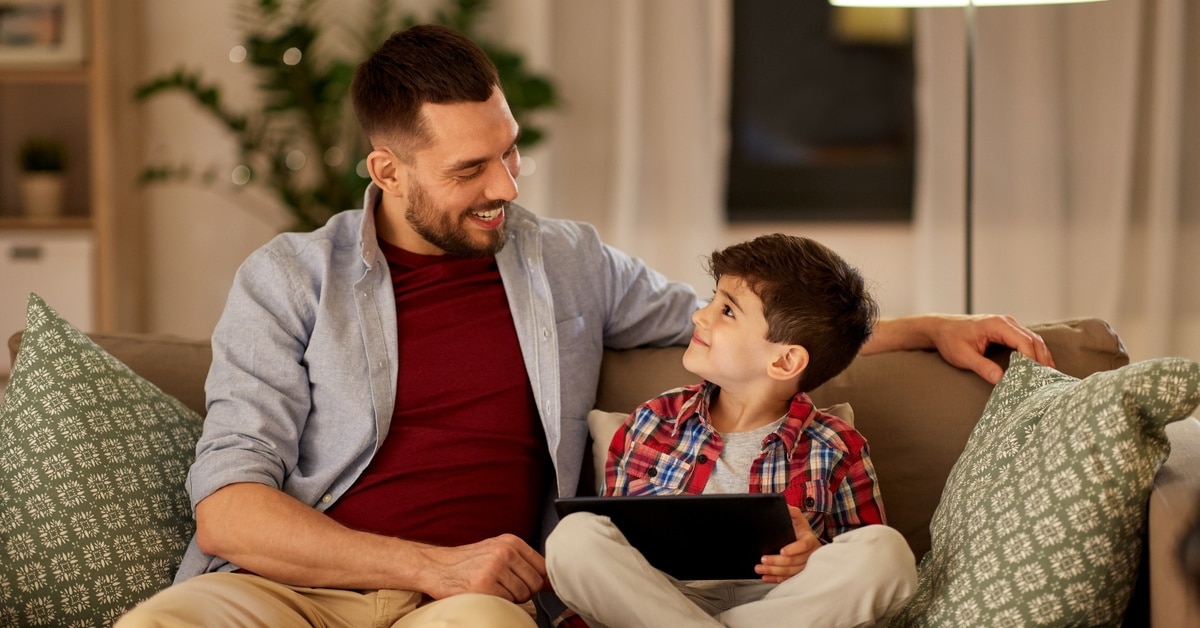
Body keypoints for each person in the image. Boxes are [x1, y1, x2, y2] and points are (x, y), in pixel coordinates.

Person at [118, 23, 1052, 628]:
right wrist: (432, 563)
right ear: (387, 171)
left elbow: (740, 331)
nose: (507, 188)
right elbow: (229, 508)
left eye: (511, 151)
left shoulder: (563, 259)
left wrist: (929, 326)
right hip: (291, 589)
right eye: (470, 170)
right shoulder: (287, 279)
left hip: (474, 605)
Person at [546, 234, 916, 627]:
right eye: (713, 300)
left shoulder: (837, 446)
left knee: (886, 552)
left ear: (785, 360)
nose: (699, 316)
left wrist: (814, 555)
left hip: (779, 606)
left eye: (727, 311)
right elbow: (617, 551)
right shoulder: (652, 421)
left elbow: (855, 566)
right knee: (574, 537)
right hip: (658, 600)